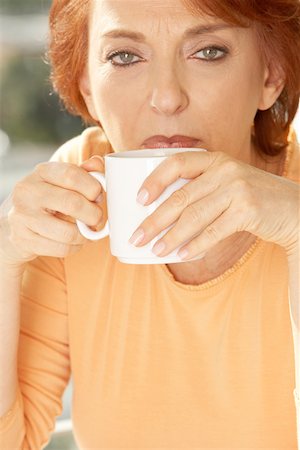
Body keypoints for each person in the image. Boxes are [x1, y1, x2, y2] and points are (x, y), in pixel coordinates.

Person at [0, 0, 299, 448]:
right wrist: (5, 257)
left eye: (209, 52)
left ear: (270, 76)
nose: (166, 97)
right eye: (124, 56)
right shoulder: (78, 191)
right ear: (87, 88)